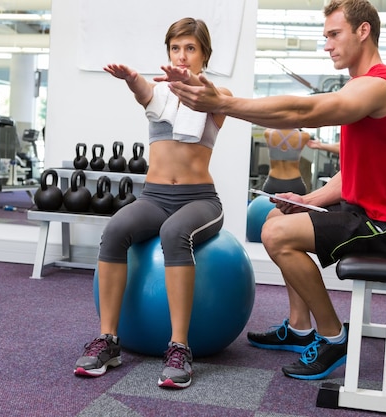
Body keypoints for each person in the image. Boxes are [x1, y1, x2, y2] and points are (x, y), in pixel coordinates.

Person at [169, 0, 386, 381]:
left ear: (363, 31)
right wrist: (307, 201)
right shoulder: (362, 87)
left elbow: (304, 114)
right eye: (325, 37)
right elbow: (351, 174)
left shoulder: (381, 86)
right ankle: (299, 326)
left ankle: (333, 336)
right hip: (361, 213)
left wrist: (224, 103)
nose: (327, 45)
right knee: (277, 216)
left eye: (334, 35)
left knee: (274, 234)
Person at [73, 17, 231, 389]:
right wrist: (131, 79)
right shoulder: (160, 93)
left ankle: (179, 347)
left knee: (175, 234)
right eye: (176, 48)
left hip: (200, 201)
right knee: (113, 230)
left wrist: (193, 84)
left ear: (204, 54)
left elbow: (213, 98)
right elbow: (143, 89)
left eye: (190, 48)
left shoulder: (214, 96)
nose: (182, 55)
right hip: (156, 197)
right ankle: (108, 340)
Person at [261, 128, 311, 195]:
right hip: (294, 184)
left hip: (273, 183)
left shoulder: (268, 133)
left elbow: (270, 126)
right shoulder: (304, 136)